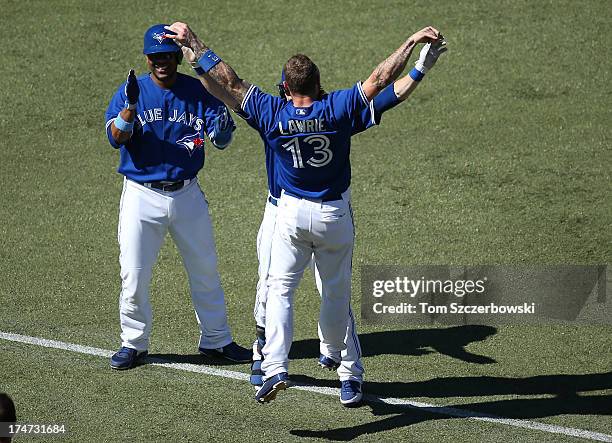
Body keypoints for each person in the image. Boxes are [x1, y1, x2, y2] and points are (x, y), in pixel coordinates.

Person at [166, 22, 446, 405]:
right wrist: (415, 52)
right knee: (332, 293)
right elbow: (382, 84)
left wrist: (194, 47)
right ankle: (329, 352)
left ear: (285, 88)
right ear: (319, 84)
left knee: (280, 290)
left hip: (290, 213)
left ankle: (280, 366)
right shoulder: (338, 109)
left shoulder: (270, 113)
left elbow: (228, 84)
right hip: (332, 214)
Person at [104, 24, 251, 370]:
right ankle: (134, 343)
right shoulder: (131, 91)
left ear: (177, 58)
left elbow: (221, 140)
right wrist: (129, 109)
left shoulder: (198, 90)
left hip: (187, 194)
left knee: (205, 269)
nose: (162, 62)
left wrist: (222, 128)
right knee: (134, 274)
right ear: (147, 58)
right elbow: (115, 138)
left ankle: (216, 340)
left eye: (168, 56)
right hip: (142, 195)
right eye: (156, 57)